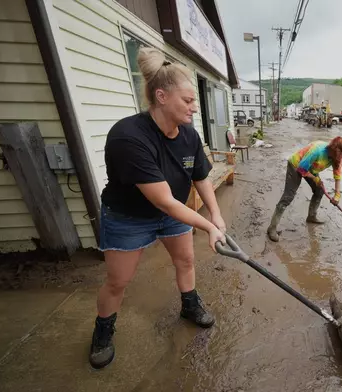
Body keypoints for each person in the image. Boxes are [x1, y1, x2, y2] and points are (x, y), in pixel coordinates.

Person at [89, 47, 226, 370]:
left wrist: (216, 214)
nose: (195, 107)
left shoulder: (189, 135)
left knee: (186, 259)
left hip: (172, 214)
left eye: (194, 101)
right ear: (161, 97)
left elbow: (201, 177)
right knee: (118, 281)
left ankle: (189, 305)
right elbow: (163, 200)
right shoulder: (128, 137)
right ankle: (102, 331)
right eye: (188, 101)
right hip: (128, 217)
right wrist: (207, 226)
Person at [267, 137, 342, 242]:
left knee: (319, 191)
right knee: (288, 197)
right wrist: (315, 178)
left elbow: (337, 176)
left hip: (311, 168)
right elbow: (301, 169)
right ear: (337, 150)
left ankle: (311, 217)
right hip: (296, 165)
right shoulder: (317, 151)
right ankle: (272, 228)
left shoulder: (337, 158)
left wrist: (337, 194)